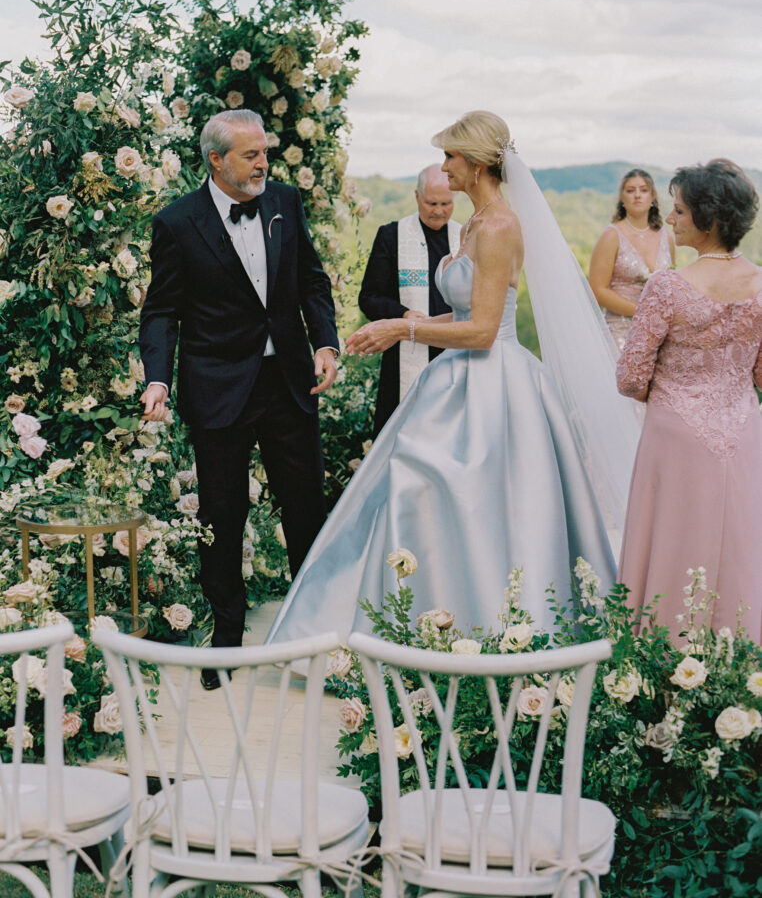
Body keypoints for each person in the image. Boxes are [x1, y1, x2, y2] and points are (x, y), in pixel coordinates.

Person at [267, 111, 640, 647]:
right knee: (416, 485)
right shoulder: (473, 223)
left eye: (450, 156)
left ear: (477, 161)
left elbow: (485, 331)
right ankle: (419, 622)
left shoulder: (502, 226)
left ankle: (495, 628)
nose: (444, 167)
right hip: (456, 379)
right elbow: (461, 315)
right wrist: (403, 329)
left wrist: (404, 327)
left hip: (497, 388)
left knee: (481, 505)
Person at [139, 109, 339, 687]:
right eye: (251, 154)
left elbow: (311, 281)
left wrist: (325, 342)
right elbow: (161, 313)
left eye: (265, 152)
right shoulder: (177, 223)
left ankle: (314, 636)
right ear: (216, 161)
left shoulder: (284, 203)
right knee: (222, 517)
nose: (263, 163)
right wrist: (158, 379)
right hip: (218, 389)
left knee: (305, 510)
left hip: (289, 386)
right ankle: (226, 641)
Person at [617, 159, 762, 645]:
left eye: (679, 211)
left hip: (674, 436)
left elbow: (631, 376)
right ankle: (741, 657)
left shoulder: (667, 286)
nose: (671, 219)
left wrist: (675, 393)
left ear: (710, 218)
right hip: (742, 429)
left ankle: (661, 658)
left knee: (672, 543)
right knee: (741, 543)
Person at [358, 165, 461, 435]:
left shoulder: (466, 239)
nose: (439, 210)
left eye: (446, 203)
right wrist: (402, 315)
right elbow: (369, 297)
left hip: (454, 351)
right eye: (431, 203)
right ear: (417, 197)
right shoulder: (391, 236)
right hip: (405, 353)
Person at [588, 168, 674, 350]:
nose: (637, 195)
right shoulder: (611, 236)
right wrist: (642, 312)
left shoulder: (666, 237)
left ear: (653, 197)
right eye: (630, 190)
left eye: (643, 190)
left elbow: (672, 286)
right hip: (620, 331)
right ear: (622, 198)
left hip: (657, 332)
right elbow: (597, 289)